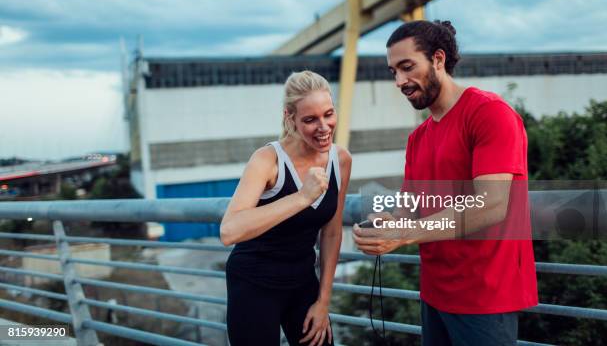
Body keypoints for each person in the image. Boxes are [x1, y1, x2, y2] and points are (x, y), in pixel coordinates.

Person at [353, 20, 538, 345]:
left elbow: (491, 204)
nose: (399, 81)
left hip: (484, 297)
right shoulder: (418, 138)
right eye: (393, 71)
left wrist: (405, 233)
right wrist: (385, 225)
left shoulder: (489, 113)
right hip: (434, 293)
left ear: (438, 59)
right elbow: (409, 207)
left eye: (407, 67)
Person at [221, 70, 352, 346]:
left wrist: (323, 301)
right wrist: (302, 198)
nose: (324, 127)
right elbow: (229, 231)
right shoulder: (267, 159)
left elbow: (331, 232)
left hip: (302, 282)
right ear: (289, 117)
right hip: (253, 283)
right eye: (310, 119)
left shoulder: (340, 160)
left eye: (328, 114)